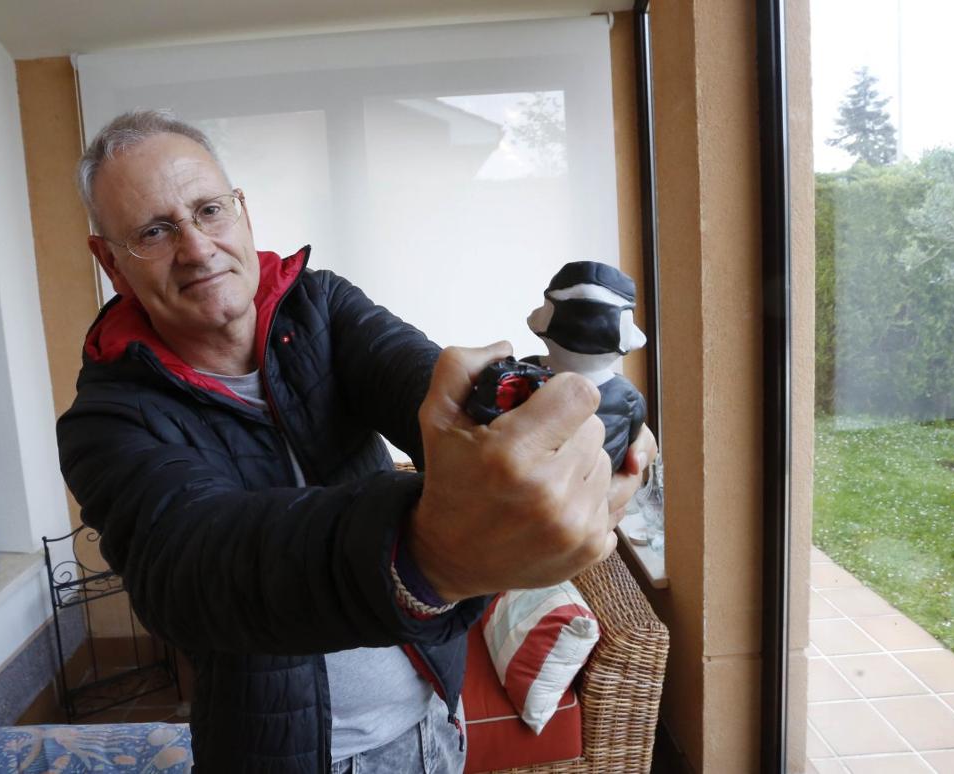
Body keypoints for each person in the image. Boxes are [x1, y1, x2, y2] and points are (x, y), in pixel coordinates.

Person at [57, 110, 656, 773]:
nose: (197, 249)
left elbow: (425, 391)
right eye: (154, 231)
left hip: (435, 715)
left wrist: (540, 424)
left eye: (208, 211)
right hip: (291, 756)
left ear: (243, 212)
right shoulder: (107, 418)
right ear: (109, 259)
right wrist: (432, 551)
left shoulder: (321, 308)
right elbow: (191, 571)